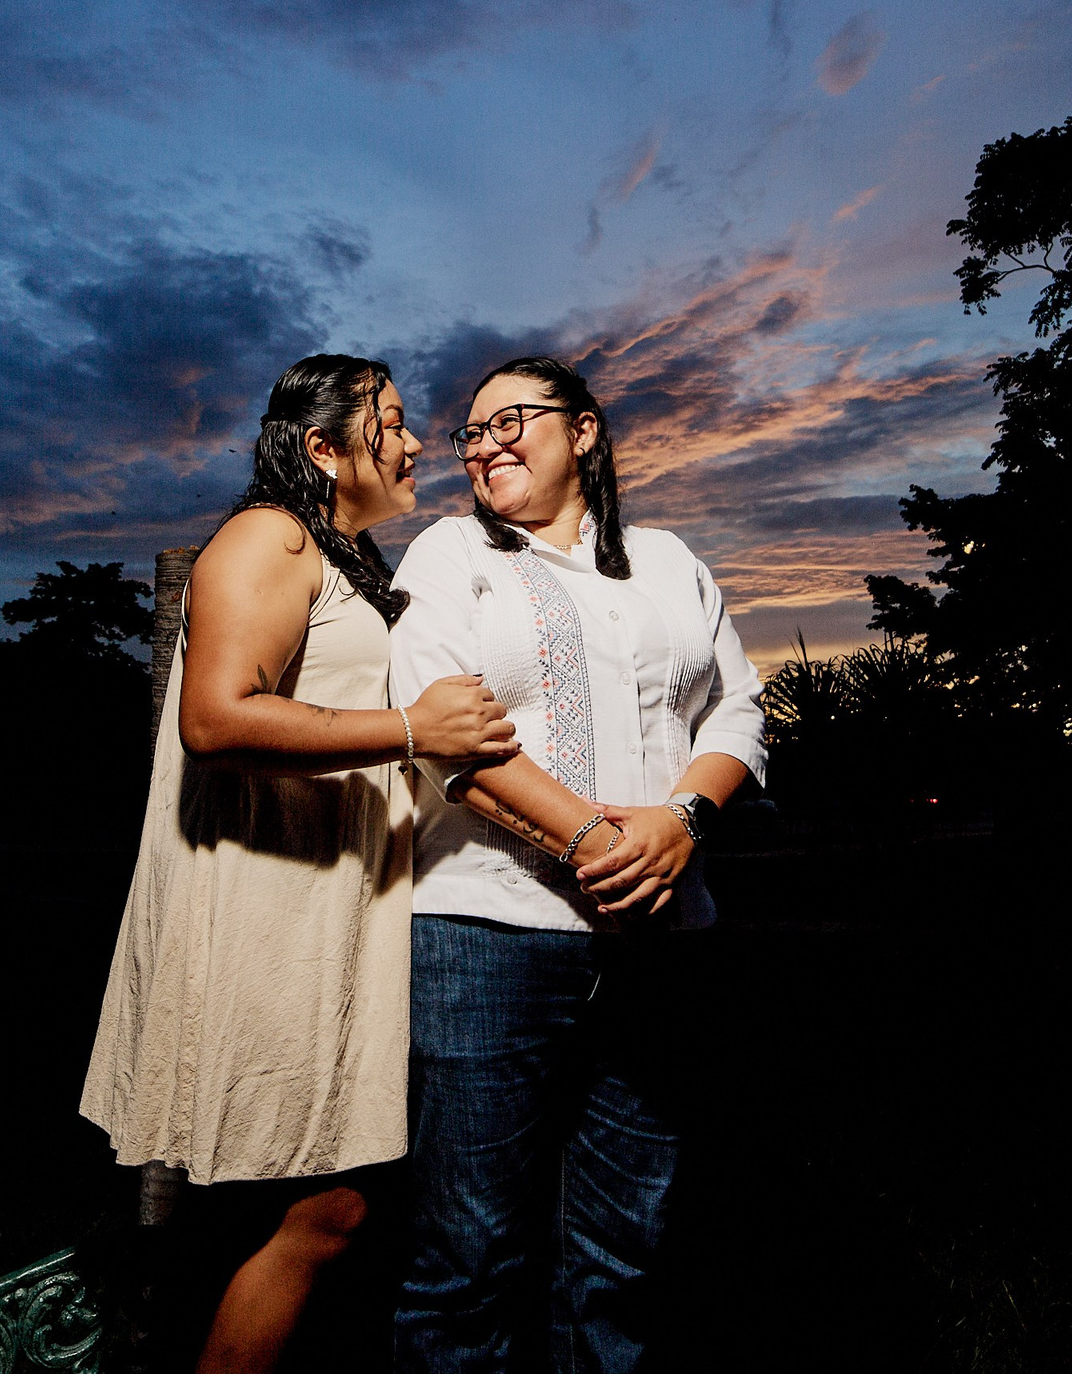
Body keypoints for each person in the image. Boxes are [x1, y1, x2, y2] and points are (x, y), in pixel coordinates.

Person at [82, 352, 520, 1374]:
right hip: (262, 912)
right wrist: (413, 726)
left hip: (322, 913)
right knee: (317, 1203)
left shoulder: (338, 558)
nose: (417, 443)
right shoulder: (267, 534)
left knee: (315, 1202)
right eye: (395, 422)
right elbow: (217, 712)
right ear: (322, 446)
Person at [388, 355, 767, 1374]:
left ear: (584, 431)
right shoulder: (447, 554)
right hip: (485, 935)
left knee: (620, 1253)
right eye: (469, 433)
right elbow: (444, 732)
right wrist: (598, 841)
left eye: (508, 418)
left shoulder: (667, 556)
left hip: (661, 945)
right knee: (467, 1260)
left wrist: (683, 817)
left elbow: (737, 704)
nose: (482, 443)